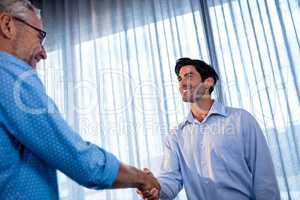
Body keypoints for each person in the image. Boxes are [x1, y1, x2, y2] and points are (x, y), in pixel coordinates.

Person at [0, 1, 160, 199]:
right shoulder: (10, 75)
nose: (44, 53)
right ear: (7, 25)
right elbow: (81, 162)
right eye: (39, 37)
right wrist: (141, 178)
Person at [138, 58, 280, 200]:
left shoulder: (241, 120)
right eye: (179, 79)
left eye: (188, 76)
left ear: (208, 82)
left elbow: (264, 177)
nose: (181, 83)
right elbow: (171, 180)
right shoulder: (175, 136)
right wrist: (153, 187)